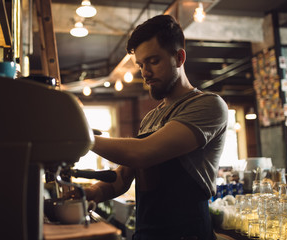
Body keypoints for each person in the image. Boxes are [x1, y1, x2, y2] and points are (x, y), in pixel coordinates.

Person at [84, 15, 228, 240]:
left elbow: (142, 153)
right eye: (141, 64)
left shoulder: (208, 105)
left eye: (153, 61)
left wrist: (80, 137)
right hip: (147, 233)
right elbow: (122, 177)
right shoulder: (151, 117)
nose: (145, 72)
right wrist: (90, 193)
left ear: (179, 57)